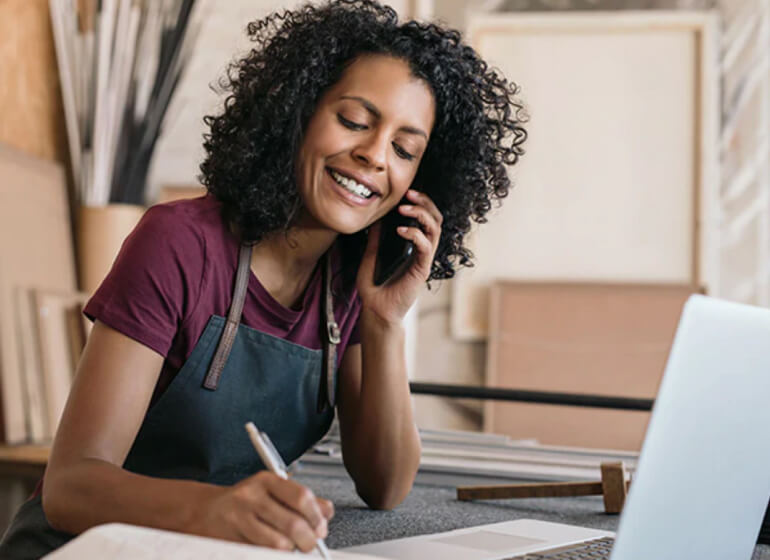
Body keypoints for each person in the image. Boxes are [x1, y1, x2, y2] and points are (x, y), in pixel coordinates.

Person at [0, 0, 527, 557]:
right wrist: (213, 510)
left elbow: (385, 485)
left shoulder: (345, 281)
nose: (375, 156)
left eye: (404, 149)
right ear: (297, 112)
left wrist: (385, 322)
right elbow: (69, 488)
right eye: (353, 121)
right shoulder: (180, 243)